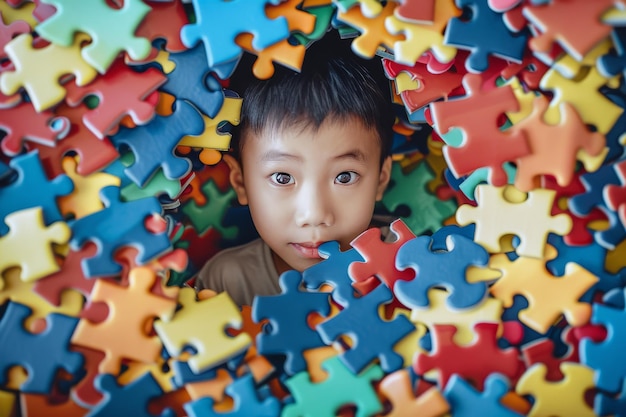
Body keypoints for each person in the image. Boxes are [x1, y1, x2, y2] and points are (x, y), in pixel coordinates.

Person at [194, 50, 396, 306]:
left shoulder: (407, 266)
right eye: (282, 177)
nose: (314, 214)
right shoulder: (227, 282)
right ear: (241, 182)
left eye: (345, 177)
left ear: (380, 178)